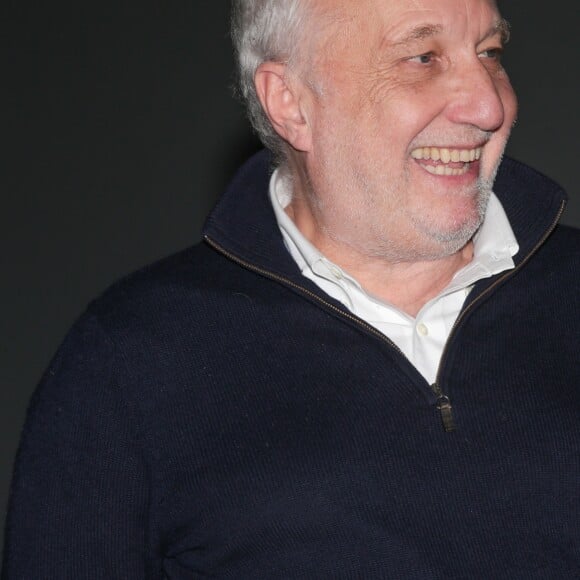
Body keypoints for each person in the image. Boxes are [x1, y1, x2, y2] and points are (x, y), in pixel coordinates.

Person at [3, 0, 579, 577]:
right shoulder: (130, 361)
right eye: (422, 57)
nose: (487, 104)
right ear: (291, 103)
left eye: (490, 53)